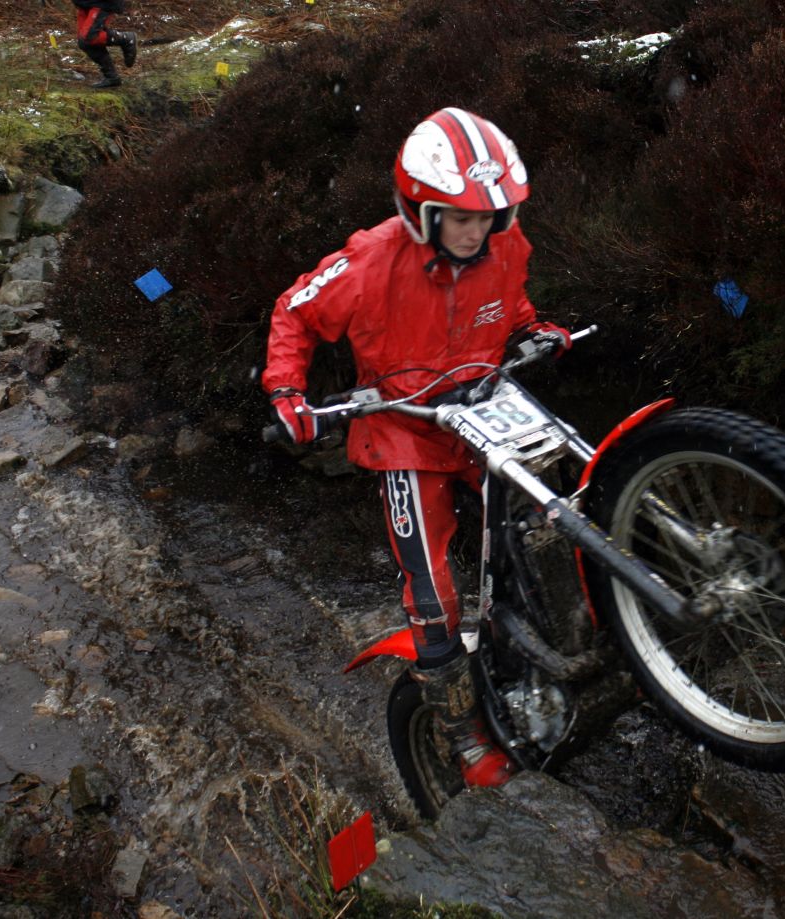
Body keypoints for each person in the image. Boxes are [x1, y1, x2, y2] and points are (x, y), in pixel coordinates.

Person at [262, 108, 572, 789]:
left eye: (487, 217)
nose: (475, 232)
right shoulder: (369, 259)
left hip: (483, 409)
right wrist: (288, 392)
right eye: (459, 218)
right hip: (404, 424)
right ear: (421, 211)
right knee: (431, 586)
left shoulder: (504, 244)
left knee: (548, 524)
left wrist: (534, 330)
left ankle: (546, 651)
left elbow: (507, 303)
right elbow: (295, 310)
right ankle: (463, 735)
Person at [72, 0, 138, 88]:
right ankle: (112, 77)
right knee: (84, 42)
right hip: (84, 3)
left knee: (89, 37)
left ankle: (126, 38)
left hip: (102, 3)